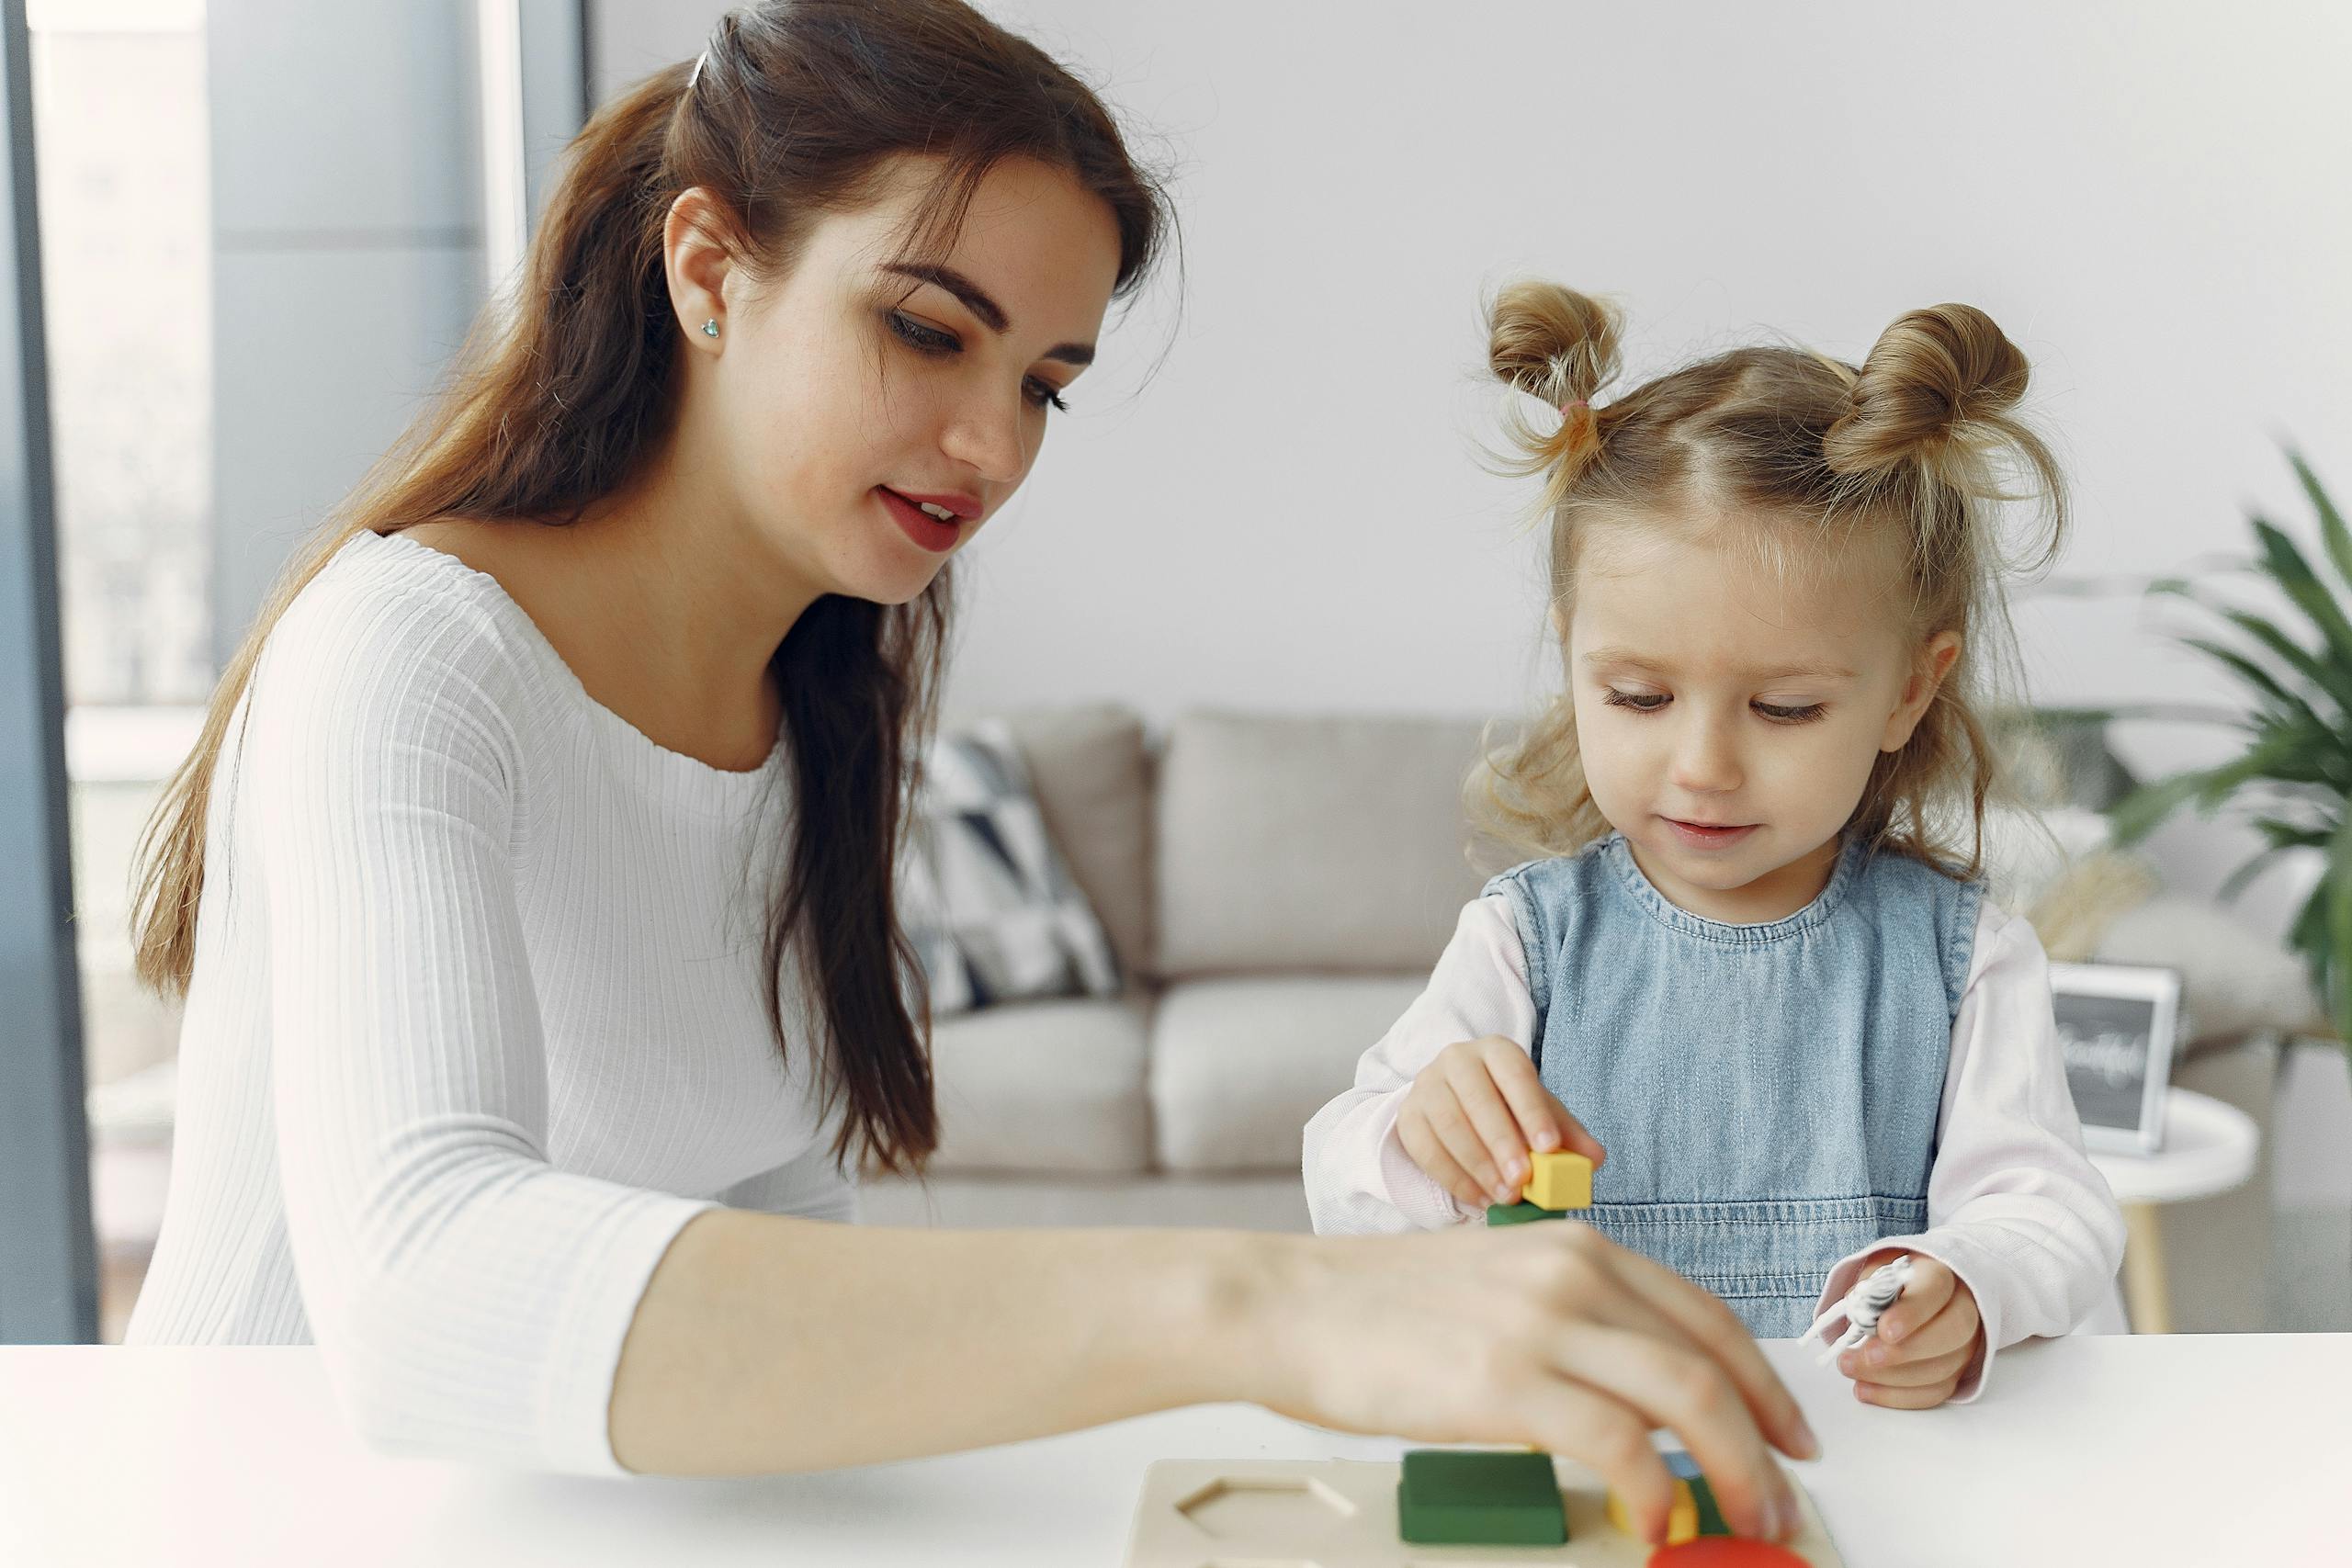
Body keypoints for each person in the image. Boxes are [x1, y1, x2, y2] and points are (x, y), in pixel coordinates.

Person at [121, 0, 1815, 1546]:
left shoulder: (809, 715)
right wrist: (1267, 1310)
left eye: (1042, 387)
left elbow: (776, 1224)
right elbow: (422, 1292)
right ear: (708, 270)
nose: (994, 447)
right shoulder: (410, 654)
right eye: (931, 333)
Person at [1305, 280, 2128, 1410]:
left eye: (1784, 710)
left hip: (1862, 1463)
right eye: (1639, 696)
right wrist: (1418, 1131)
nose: (1702, 766)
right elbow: (1344, 1179)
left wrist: (1970, 1280)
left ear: (1905, 694)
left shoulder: (1961, 956)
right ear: (1572, 660)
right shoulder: (1524, 940)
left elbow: (2051, 1209)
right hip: (1598, 1449)